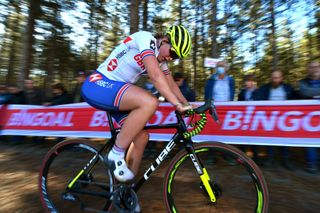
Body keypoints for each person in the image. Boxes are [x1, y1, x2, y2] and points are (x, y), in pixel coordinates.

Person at [81, 25, 193, 190]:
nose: (171, 58)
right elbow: (155, 76)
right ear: (165, 40)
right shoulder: (146, 39)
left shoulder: (160, 59)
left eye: (176, 58)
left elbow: (172, 85)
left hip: (113, 90)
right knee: (149, 102)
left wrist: (187, 105)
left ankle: (125, 190)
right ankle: (116, 153)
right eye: (173, 53)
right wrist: (176, 104)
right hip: (98, 84)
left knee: (141, 137)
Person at [253, 70, 297, 170]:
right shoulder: (265, 88)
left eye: (277, 78)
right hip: (270, 118)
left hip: (285, 119)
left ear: (281, 78)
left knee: (285, 140)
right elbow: (256, 96)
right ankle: (270, 159)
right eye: (273, 78)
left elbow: (296, 98)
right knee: (270, 139)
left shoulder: (288, 88)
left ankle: (286, 160)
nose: (275, 80)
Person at [298, 61, 320, 174]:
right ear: (308, 69)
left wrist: (313, 94)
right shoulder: (303, 82)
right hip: (310, 118)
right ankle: (312, 164)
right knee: (310, 140)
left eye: (316, 67)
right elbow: (305, 92)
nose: (314, 69)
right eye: (311, 67)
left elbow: (310, 93)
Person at [238, 74, 259, 162]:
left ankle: (255, 158)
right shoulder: (242, 92)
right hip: (245, 117)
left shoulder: (259, 91)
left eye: (250, 81)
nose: (248, 83)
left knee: (255, 137)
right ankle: (241, 157)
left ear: (254, 82)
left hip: (255, 117)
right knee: (243, 137)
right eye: (246, 81)